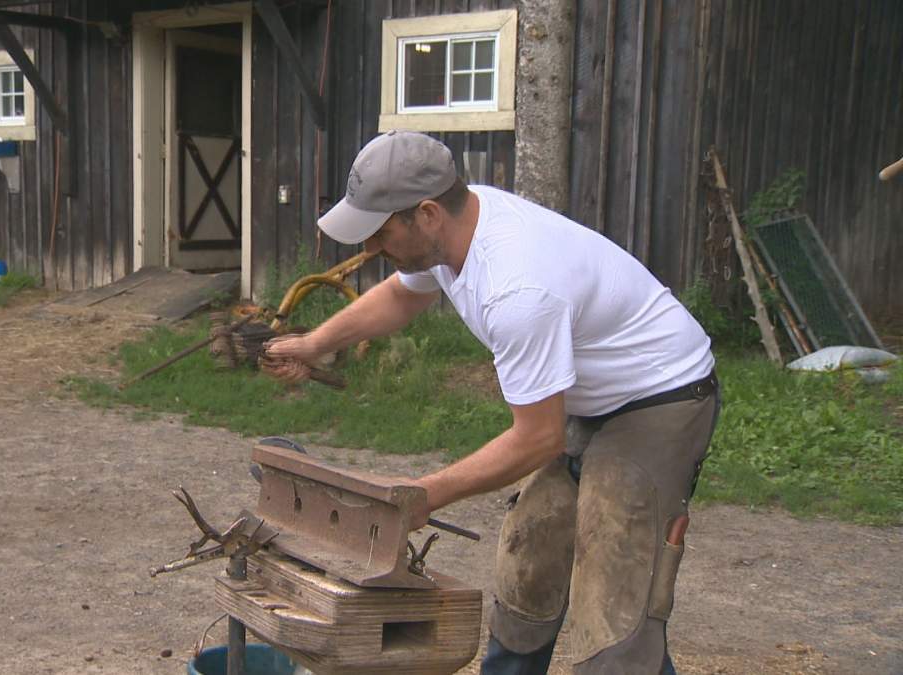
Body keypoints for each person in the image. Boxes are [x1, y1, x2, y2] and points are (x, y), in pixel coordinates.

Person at [264, 131, 720, 674]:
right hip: (590, 397)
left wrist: (424, 494)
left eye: (380, 233)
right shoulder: (454, 228)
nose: (370, 249)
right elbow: (403, 293)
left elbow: (538, 437)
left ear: (427, 213)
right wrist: (316, 344)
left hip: (661, 395)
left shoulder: (516, 287)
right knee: (532, 554)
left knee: (614, 586)